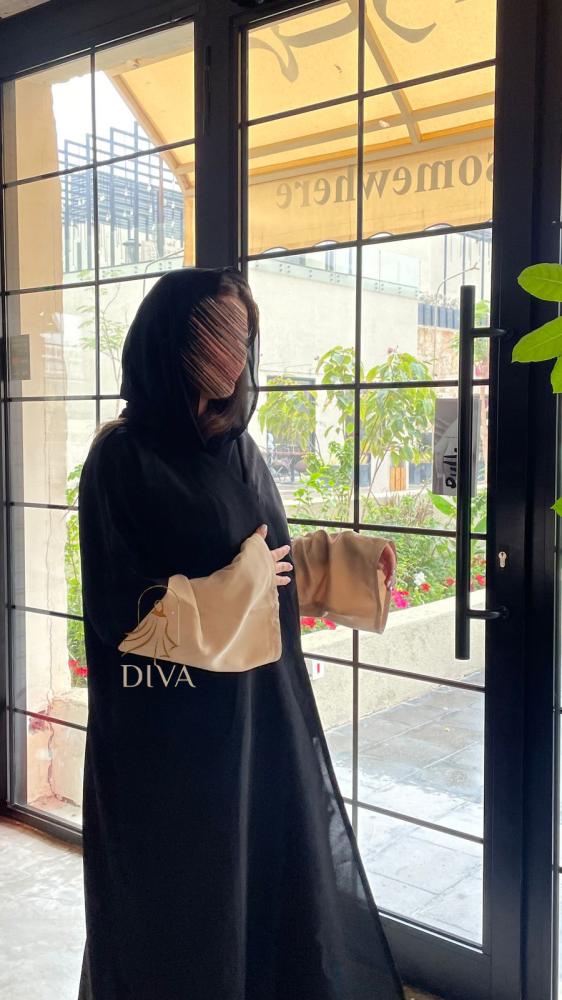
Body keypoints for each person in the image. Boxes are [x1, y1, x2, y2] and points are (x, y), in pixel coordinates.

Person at [76, 265, 404, 1000]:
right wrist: (248, 578)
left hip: (259, 721)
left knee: (264, 895)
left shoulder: (235, 447)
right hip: (168, 742)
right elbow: (128, 613)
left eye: (243, 335)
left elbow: (263, 561)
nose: (234, 353)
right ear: (169, 342)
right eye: (215, 334)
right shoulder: (121, 460)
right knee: (180, 914)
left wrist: (341, 561)